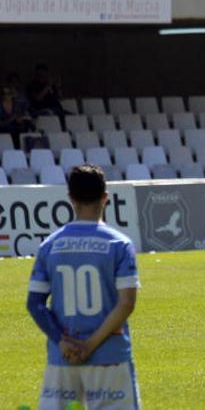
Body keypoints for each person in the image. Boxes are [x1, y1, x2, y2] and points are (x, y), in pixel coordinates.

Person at [26, 164, 141, 409]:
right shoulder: (119, 244)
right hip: (110, 358)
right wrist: (90, 345)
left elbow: (35, 303)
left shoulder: (50, 245)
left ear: (70, 199)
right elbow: (127, 303)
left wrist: (62, 341)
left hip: (62, 360)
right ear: (105, 198)